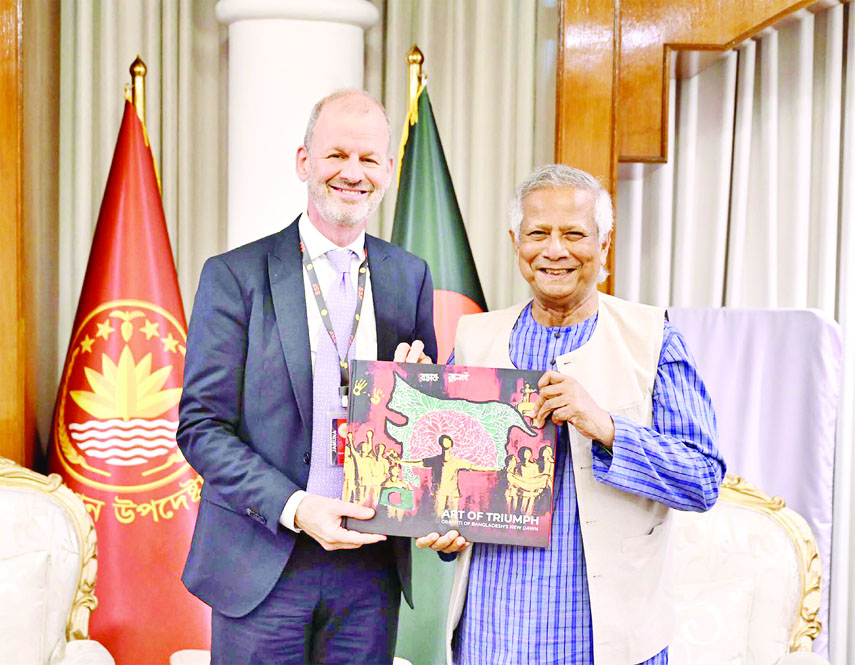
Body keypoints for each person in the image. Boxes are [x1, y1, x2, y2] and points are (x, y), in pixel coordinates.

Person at [415, 164, 725, 665]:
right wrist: (444, 532)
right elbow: (446, 492)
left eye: (574, 234)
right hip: (492, 636)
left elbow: (703, 479)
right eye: (538, 233)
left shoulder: (653, 340)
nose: (554, 250)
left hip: (607, 643)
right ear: (517, 243)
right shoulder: (474, 341)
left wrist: (606, 427)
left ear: (603, 244)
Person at [177, 89, 437, 665]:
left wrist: (422, 396)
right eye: (336, 155)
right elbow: (200, 428)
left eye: (369, 159)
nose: (353, 173)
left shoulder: (409, 277)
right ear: (304, 162)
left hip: (370, 570)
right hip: (263, 560)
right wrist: (296, 506)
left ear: (388, 170)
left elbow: (422, 428)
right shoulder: (234, 276)